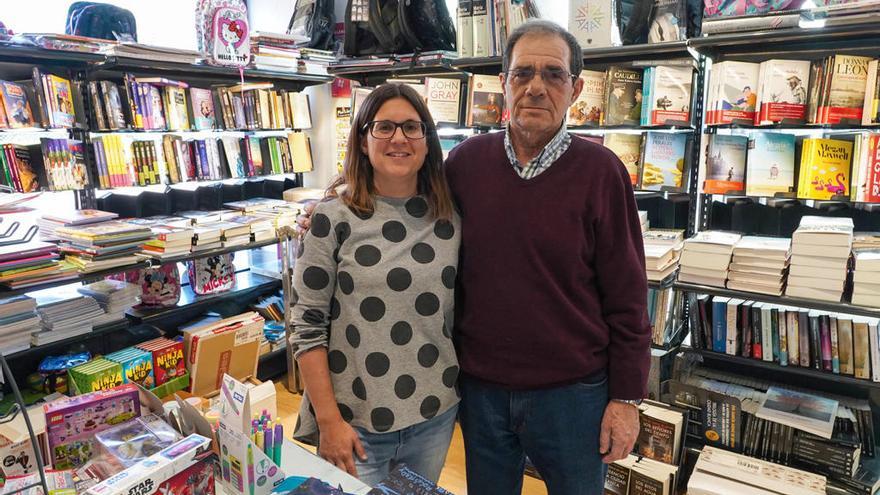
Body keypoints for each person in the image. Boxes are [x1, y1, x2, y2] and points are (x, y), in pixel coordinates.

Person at [445, 19, 650, 494]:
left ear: (576, 89)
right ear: (504, 83)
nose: (536, 87)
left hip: (573, 396)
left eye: (553, 75)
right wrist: (339, 205)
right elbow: (412, 219)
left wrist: (626, 398)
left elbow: (627, 295)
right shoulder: (464, 164)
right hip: (482, 390)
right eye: (523, 74)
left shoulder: (603, 172)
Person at [289, 83, 461, 487]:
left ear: (426, 141)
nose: (398, 138)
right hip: (354, 421)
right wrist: (329, 421)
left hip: (434, 414)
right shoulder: (332, 218)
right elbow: (306, 326)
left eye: (411, 127)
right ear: (363, 140)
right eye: (384, 127)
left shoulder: (451, 216)